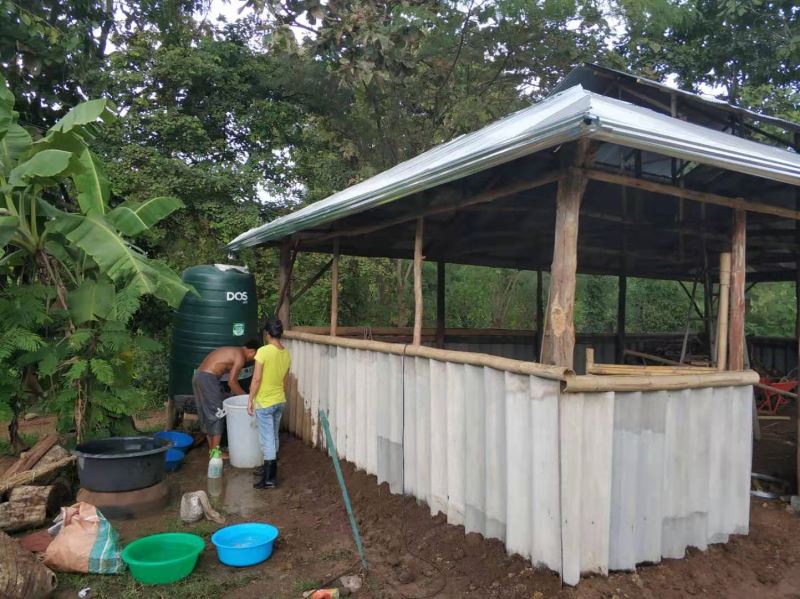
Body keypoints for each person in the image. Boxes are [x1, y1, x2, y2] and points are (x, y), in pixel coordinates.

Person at [192, 340, 260, 454]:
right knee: (218, 413)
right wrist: (247, 399)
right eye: (255, 357)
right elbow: (232, 382)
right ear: (252, 352)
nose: (253, 359)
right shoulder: (240, 357)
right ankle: (215, 453)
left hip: (198, 376)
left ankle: (212, 451)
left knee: (207, 414)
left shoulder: (234, 350)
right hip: (208, 379)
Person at [248, 317, 291, 489]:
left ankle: (270, 479)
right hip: (279, 400)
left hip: (265, 402)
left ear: (267, 333)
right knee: (273, 435)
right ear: (280, 333)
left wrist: (250, 399)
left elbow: (257, 379)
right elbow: (285, 382)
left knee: (267, 440)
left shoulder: (263, 352)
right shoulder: (286, 354)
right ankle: (267, 471)